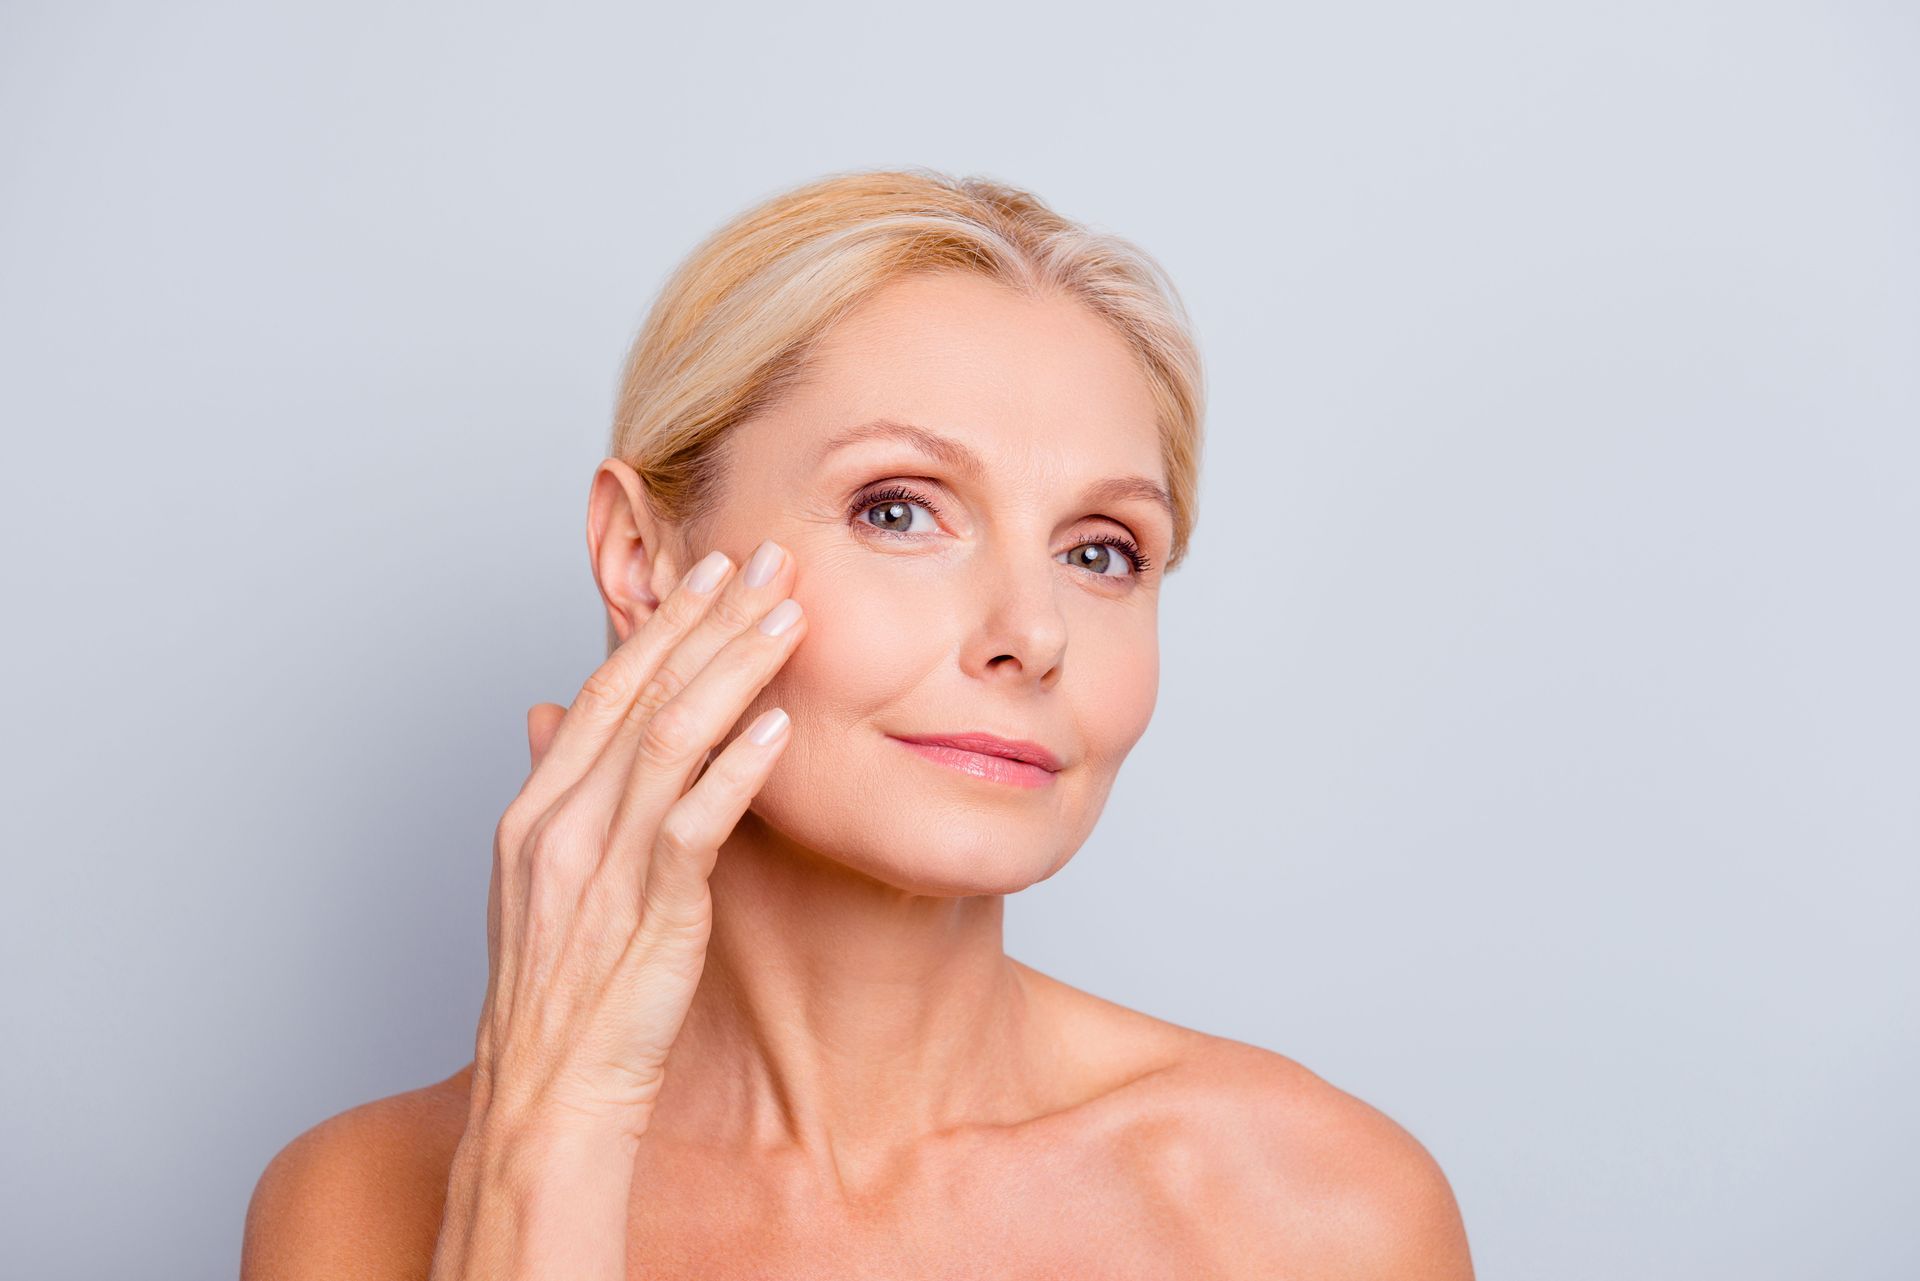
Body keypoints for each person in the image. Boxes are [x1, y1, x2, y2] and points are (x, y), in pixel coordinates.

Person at [239, 167, 1474, 1279]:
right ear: (640, 557)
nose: (1033, 634)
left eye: (1104, 552)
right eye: (899, 510)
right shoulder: (357, 1210)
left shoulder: (1316, 1214)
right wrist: (548, 1138)